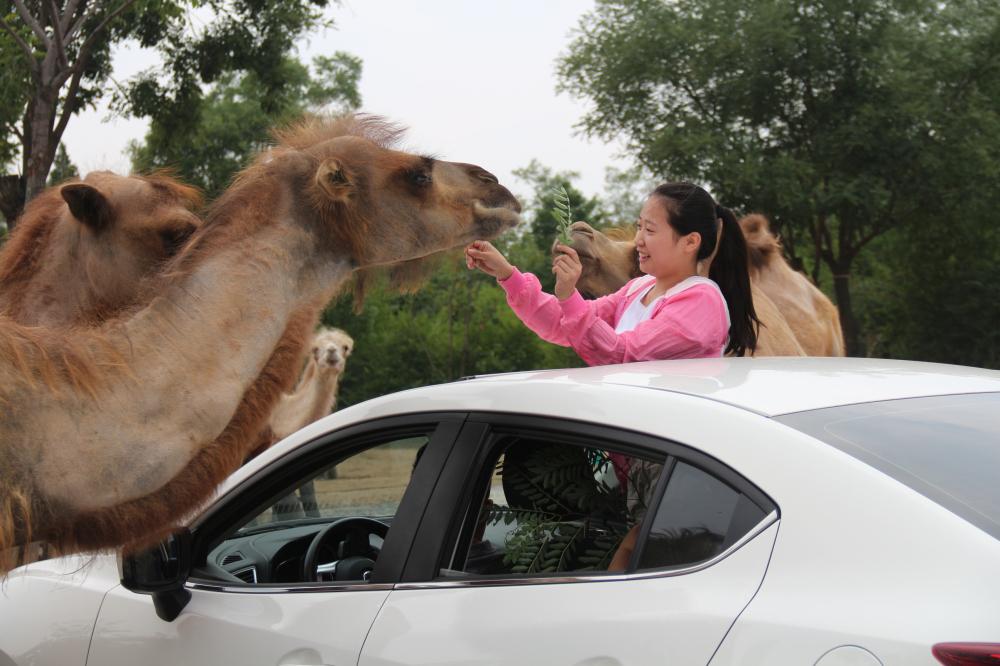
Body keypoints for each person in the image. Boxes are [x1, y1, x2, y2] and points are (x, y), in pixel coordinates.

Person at [465, 182, 759, 363]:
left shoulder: (700, 302)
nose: (639, 239)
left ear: (690, 242)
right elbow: (561, 324)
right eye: (640, 226)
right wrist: (507, 275)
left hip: (674, 458)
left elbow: (620, 354)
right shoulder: (639, 288)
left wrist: (569, 297)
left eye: (651, 229)